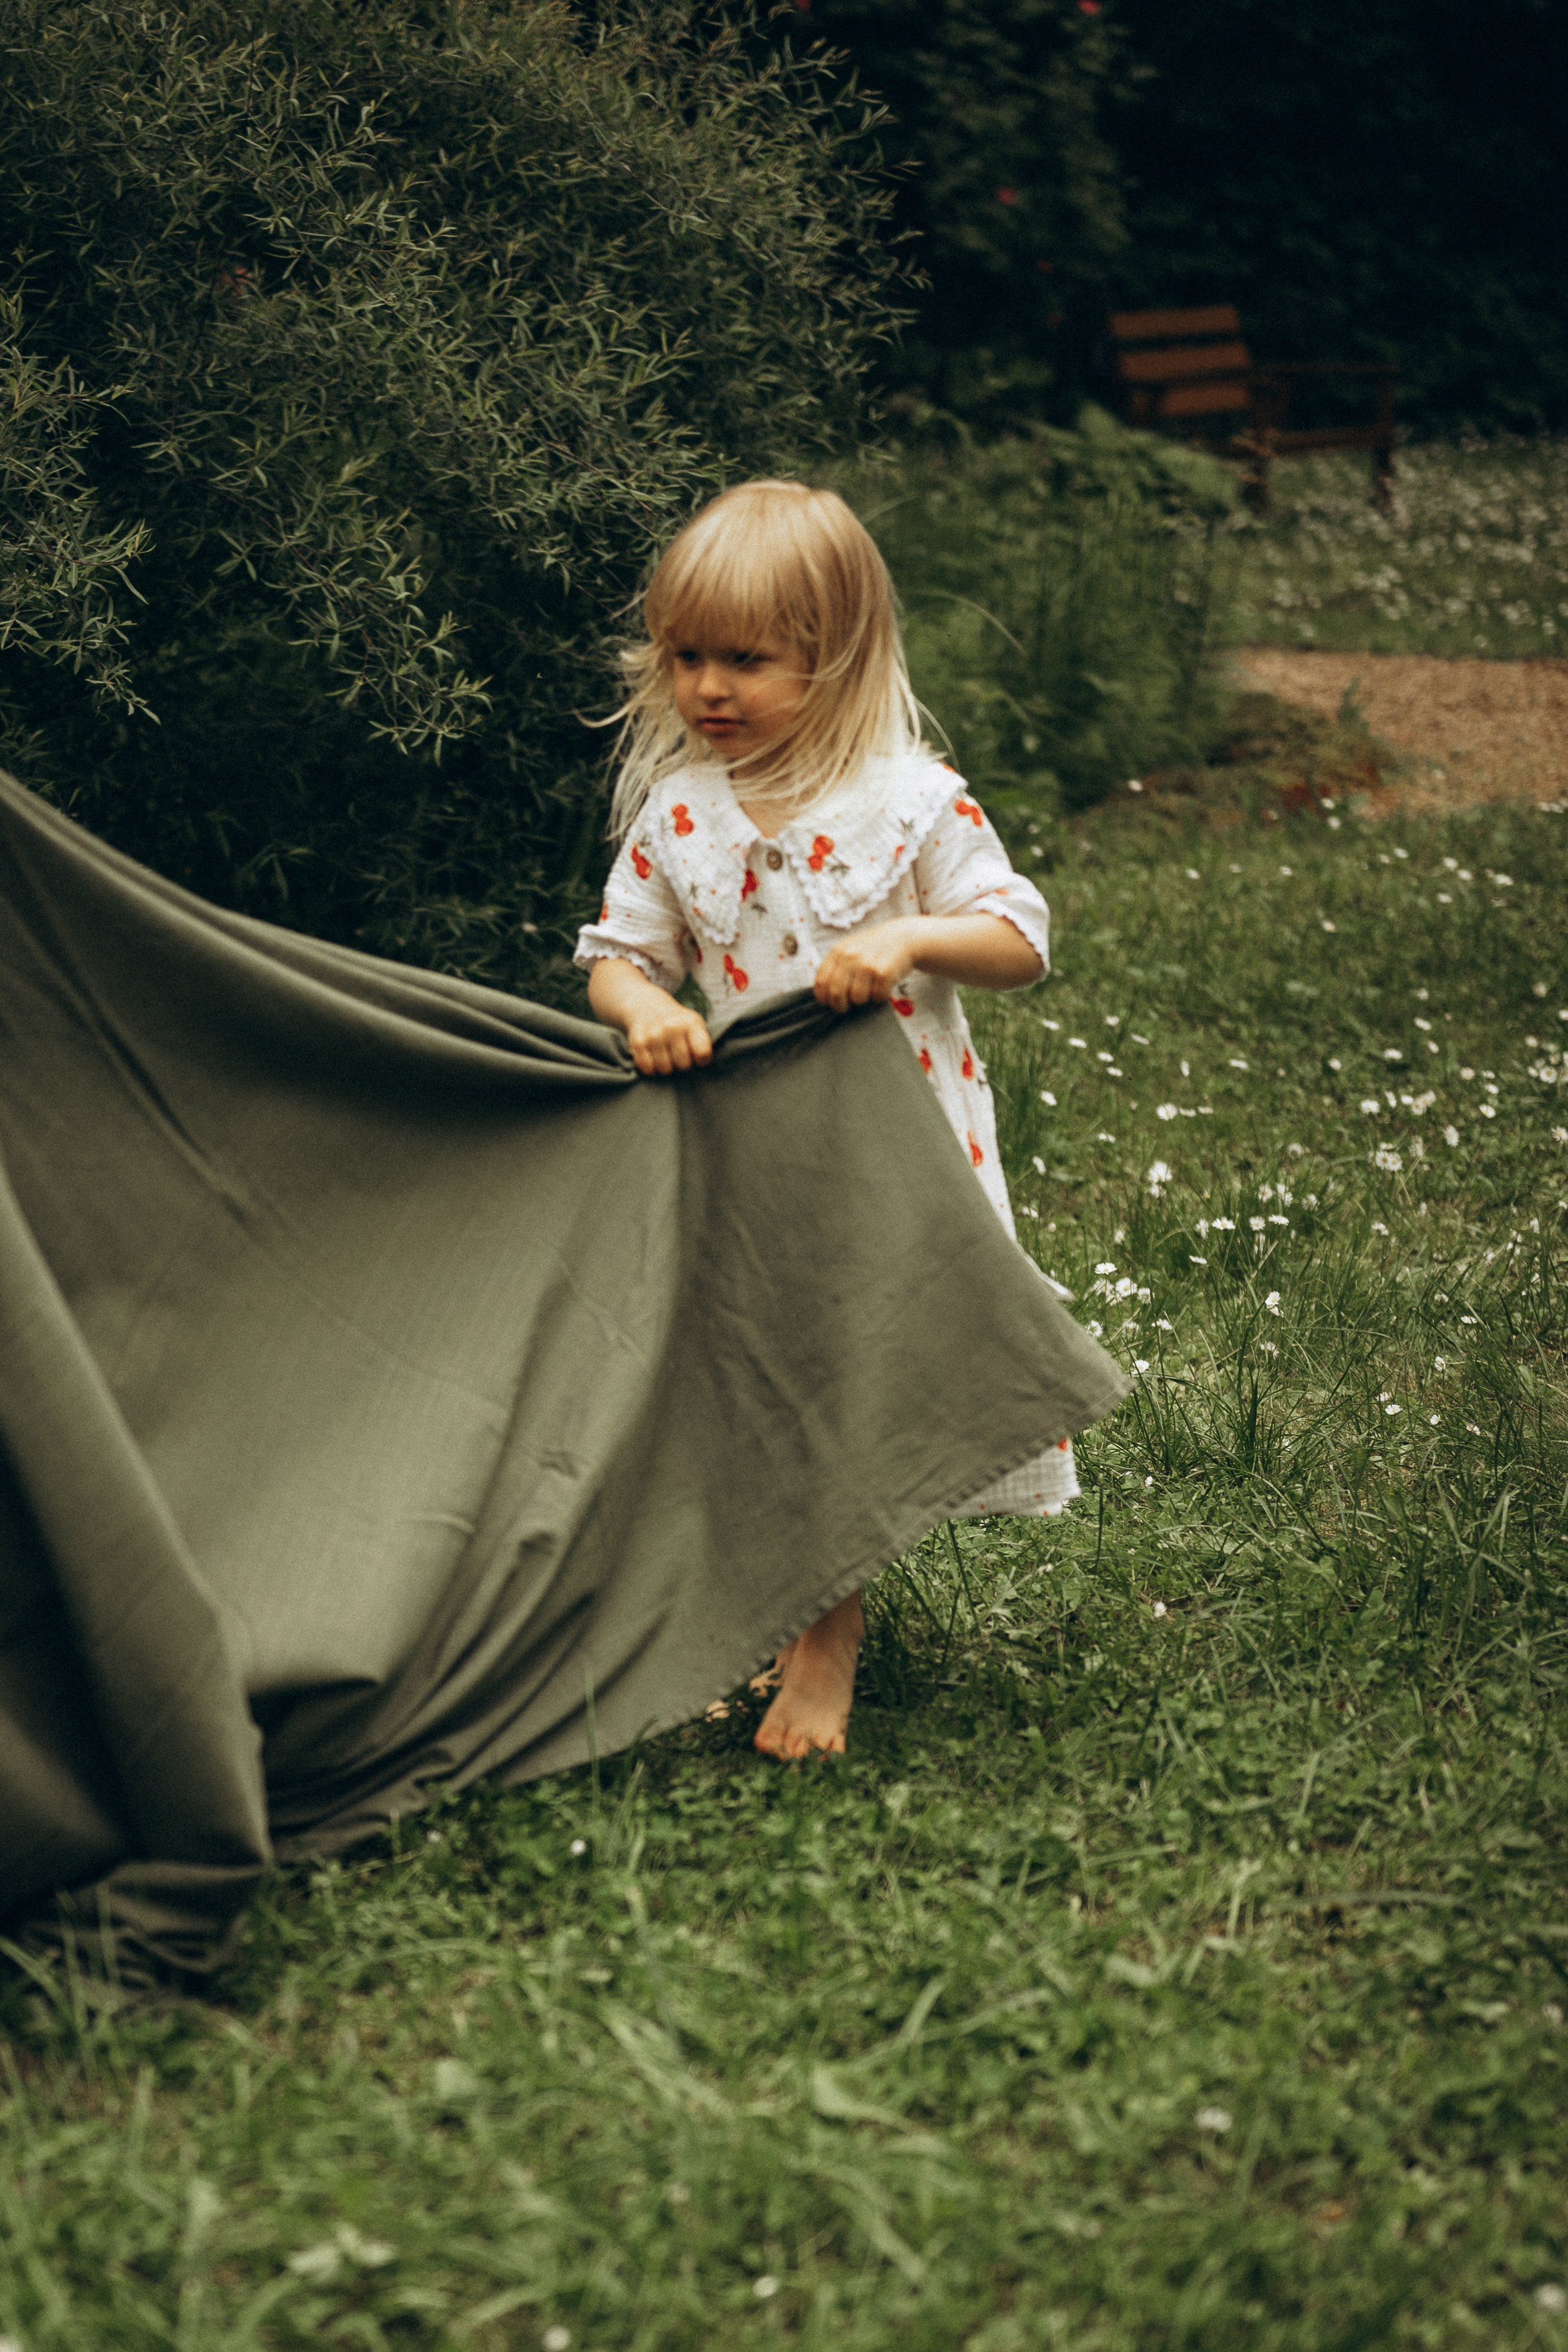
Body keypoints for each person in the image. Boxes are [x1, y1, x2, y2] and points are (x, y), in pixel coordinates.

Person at [574, 479, 1078, 1762]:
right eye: (684, 656)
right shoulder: (679, 813)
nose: (708, 688)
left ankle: (823, 1639)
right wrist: (642, 1009)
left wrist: (907, 933)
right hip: (753, 1154)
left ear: (834, 655)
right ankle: (777, 1613)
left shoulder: (907, 802)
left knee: (852, 1379)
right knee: (771, 1379)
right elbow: (621, 954)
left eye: (746, 659)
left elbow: (1016, 937)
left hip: (896, 1158)